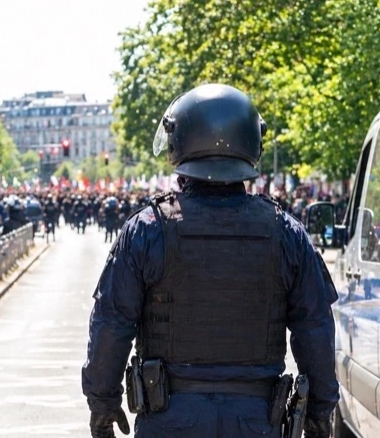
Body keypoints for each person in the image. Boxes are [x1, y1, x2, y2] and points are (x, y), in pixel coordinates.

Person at [81, 83, 338, 438]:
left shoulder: (147, 229)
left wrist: (103, 402)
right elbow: (315, 327)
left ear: (179, 144)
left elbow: (112, 322)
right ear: (252, 145)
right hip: (257, 420)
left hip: (169, 418)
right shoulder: (287, 233)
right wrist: (320, 410)